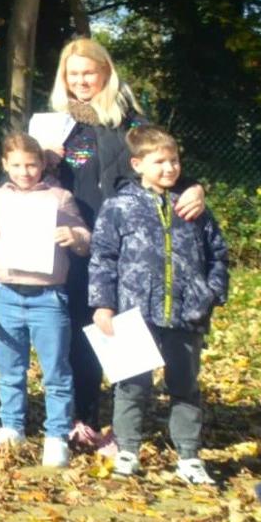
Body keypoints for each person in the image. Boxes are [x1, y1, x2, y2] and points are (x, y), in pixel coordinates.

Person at [45, 37, 206, 449]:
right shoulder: (54, 125)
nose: (81, 81)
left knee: (124, 331)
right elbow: (19, 174)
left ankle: (123, 430)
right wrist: (45, 158)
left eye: (89, 72)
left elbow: (162, 162)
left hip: (129, 248)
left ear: (106, 72)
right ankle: (83, 418)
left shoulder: (130, 122)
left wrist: (194, 187)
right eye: (73, 74)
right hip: (75, 245)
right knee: (82, 332)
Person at [87, 126, 229, 485]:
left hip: (187, 314)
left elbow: (218, 253)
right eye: (160, 161)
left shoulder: (193, 207)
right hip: (133, 313)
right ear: (137, 164)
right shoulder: (119, 207)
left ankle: (189, 457)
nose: (169, 168)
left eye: (175, 160)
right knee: (132, 385)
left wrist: (211, 292)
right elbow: (103, 257)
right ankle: (127, 451)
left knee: (185, 387)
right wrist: (103, 304)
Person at [0, 132, 91, 468]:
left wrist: (73, 236)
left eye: (31, 165)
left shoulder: (59, 197)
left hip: (48, 297)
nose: (24, 172)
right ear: (4, 165)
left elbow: (86, 240)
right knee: (10, 368)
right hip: (6, 294)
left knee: (56, 370)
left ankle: (56, 435)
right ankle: (12, 425)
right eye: (16, 165)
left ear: (42, 164)